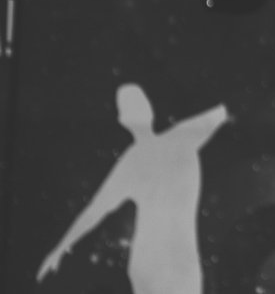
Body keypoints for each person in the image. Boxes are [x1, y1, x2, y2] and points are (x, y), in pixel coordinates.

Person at [36, 84, 228, 294]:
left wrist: (60, 249)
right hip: (169, 266)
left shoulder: (142, 156)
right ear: (148, 111)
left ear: (123, 119)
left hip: (163, 265)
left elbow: (94, 211)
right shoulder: (179, 139)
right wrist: (60, 248)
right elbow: (94, 211)